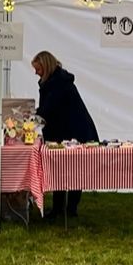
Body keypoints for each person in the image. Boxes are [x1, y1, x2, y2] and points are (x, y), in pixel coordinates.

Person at [31, 50, 98, 219]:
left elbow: (48, 110)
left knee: (74, 171)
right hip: (66, 130)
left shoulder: (58, 83)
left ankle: (70, 209)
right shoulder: (55, 81)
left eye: (38, 69)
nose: (35, 72)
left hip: (75, 132)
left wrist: (31, 120)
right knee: (61, 170)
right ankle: (60, 208)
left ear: (45, 67)